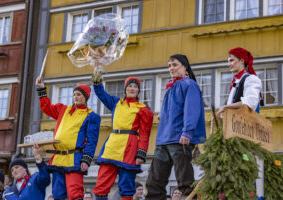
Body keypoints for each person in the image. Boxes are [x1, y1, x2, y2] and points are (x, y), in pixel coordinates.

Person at [145, 54, 206, 200]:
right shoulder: (172, 86)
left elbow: (192, 110)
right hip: (163, 139)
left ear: (184, 67)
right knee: (155, 180)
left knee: (184, 179)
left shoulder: (189, 84)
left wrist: (187, 132)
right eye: (169, 65)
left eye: (174, 64)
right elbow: (175, 108)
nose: (171, 68)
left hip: (179, 138)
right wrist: (163, 115)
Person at [36, 77, 101, 200]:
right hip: (58, 158)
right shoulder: (63, 110)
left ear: (86, 97)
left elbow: (92, 140)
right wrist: (41, 89)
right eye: (74, 94)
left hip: (75, 158)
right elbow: (47, 107)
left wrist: (86, 160)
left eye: (79, 94)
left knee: (74, 193)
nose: (76, 97)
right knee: (57, 194)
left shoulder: (92, 116)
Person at [91, 74, 153, 200]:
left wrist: (141, 153)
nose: (132, 88)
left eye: (135, 87)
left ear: (138, 91)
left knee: (127, 186)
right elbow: (101, 93)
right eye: (130, 86)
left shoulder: (143, 109)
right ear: (125, 88)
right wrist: (97, 79)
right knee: (101, 184)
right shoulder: (115, 102)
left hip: (130, 148)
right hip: (112, 146)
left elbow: (144, 133)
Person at [217, 47, 262, 117]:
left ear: (242, 60)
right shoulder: (236, 81)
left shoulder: (251, 79)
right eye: (228, 61)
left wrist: (226, 107)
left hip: (248, 124)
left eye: (231, 60)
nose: (228, 64)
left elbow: (250, 102)